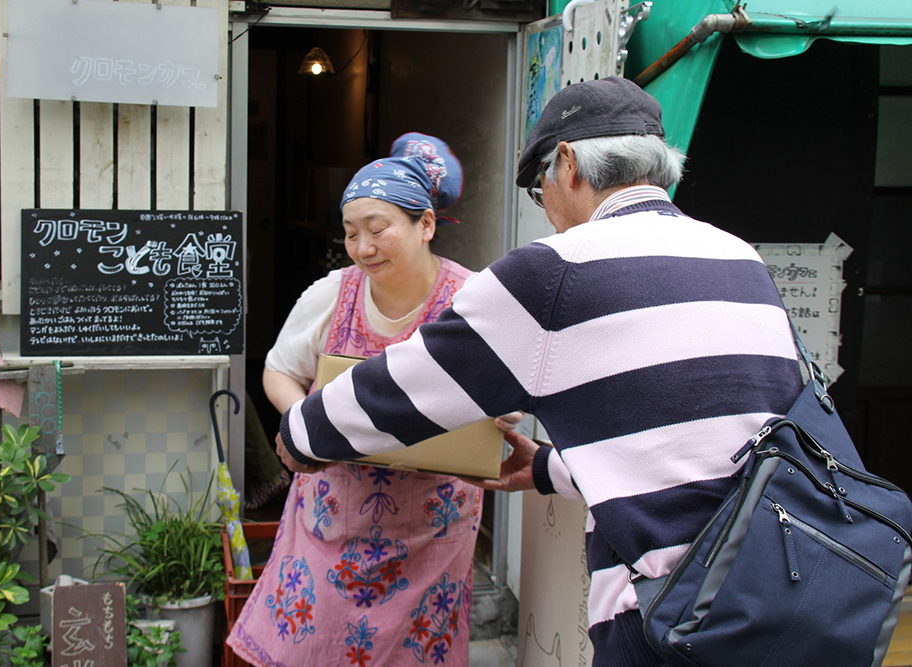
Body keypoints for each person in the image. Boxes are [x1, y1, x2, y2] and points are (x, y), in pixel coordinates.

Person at [273, 77, 804, 666]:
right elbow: (702, 440)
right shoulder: (739, 256)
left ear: (568, 164)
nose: (546, 209)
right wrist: (550, 467)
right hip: (775, 588)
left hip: (665, 608)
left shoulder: (556, 270)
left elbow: (411, 387)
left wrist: (301, 434)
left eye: (539, 186)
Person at [227, 133, 492, 667]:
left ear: (426, 225)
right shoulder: (331, 294)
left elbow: (506, 394)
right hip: (333, 515)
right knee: (314, 645)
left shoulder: (475, 300)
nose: (363, 248)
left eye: (378, 230)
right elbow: (279, 371)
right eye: (351, 234)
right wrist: (306, 422)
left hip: (432, 527)